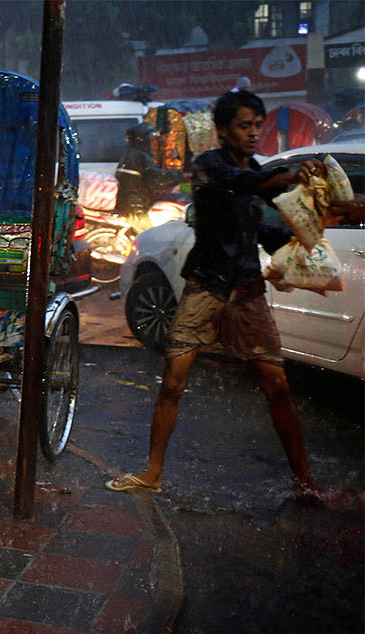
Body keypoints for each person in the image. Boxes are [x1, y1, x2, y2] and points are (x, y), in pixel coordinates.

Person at [106, 90, 324, 502]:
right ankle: (152, 473)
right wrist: (288, 176)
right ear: (223, 131)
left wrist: (302, 245)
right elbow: (244, 183)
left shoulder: (256, 172)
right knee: (173, 382)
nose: (254, 132)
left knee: (277, 387)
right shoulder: (209, 167)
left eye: (258, 125)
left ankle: (305, 481)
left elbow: (267, 228)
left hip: (246, 291)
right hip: (205, 288)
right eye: (245, 125)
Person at [114, 123, 183, 234]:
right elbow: (157, 178)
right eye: (151, 139)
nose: (154, 143)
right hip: (135, 206)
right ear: (142, 139)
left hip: (128, 201)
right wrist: (180, 175)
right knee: (150, 235)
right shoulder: (139, 156)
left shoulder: (130, 154)